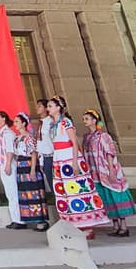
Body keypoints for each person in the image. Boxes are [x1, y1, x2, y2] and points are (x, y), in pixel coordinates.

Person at [46, 96, 109, 238]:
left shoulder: (65, 122)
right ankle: (72, 223)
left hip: (69, 156)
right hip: (59, 158)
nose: (48, 109)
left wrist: (74, 162)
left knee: (78, 190)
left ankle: (87, 225)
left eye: (50, 106)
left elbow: (74, 142)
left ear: (58, 107)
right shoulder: (52, 125)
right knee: (65, 192)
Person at [81, 109, 136, 237]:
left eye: (87, 119)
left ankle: (123, 226)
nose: (84, 121)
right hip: (95, 173)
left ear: (94, 120)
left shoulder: (103, 136)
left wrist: (111, 171)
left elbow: (109, 153)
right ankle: (115, 225)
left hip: (106, 170)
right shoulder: (87, 137)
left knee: (115, 195)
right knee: (106, 198)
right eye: (84, 119)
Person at [13, 112, 50, 231]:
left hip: (29, 164)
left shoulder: (30, 137)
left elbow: (34, 153)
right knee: (25, 192)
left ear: (24, 123)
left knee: (34, 191)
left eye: (17, 121)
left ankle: (41, 220)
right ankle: (29, 217)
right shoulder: (17, 138)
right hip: (20, 165)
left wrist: (33, 169)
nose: (15, 124)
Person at [0, 111, 22, 228]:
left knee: (13, 191)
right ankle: (14, 218)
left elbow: (9, 150)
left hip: (8, 163)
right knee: (9, 192)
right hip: (2, 163)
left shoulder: (8, 133)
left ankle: (19, 220)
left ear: (4, 118)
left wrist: (8, 164)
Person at [35, 98, 55, 211]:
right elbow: (40, 144)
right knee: (52, 186)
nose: (37, 108)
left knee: (58, 186)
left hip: (53, 156)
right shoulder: (40, 123)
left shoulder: (50, 122)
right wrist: (41, 161)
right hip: (46, 158)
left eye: (40, 106)